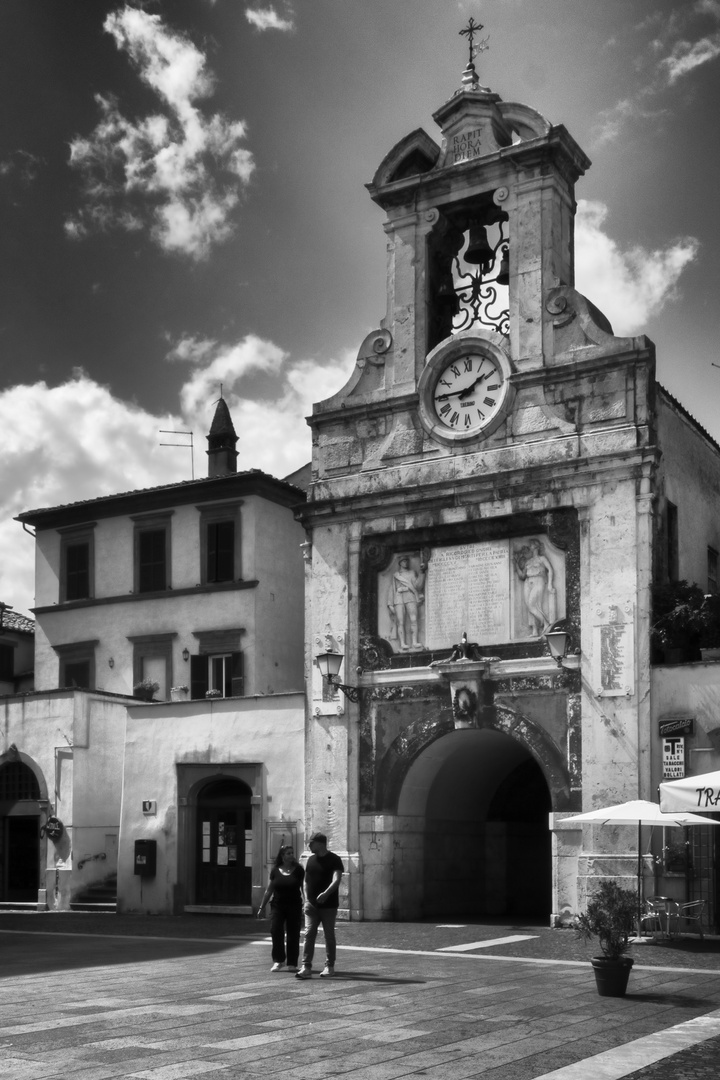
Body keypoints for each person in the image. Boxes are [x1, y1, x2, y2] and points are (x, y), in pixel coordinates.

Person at [295, 832, 344, 980]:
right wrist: (306, 898)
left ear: (321, 844)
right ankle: (306, 966)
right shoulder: (310, 860)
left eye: (311, 843)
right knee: (309, 933)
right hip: (311, 906)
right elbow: (305, 881)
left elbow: (337, 880)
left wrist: (326, 894)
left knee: (329, 935)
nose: (309, 845)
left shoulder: (335, 860)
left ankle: (329, 966)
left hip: (328, 906)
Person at [257, 843, 305, 973]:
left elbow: (303, 888)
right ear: (282, 856)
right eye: (288, 853)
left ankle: (292, 963)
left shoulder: (299, 870)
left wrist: (306, 903)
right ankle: (278, 961)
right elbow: (269, 890)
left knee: (293, 934)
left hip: (294, 905)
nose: (291, 855)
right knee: (276, 930)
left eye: (291, 853)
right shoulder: (276, 871)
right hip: (278, 905)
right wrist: (261, 907)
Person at [513, 538, 556, 637]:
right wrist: (516, 564)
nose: (530, 546)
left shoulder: (542, 559)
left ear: (536, 546)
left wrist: (549, 584)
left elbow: (550, 570)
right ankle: (535, 630)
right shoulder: (528, 561)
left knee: (532, 605)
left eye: (531, 545)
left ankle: (546, 623)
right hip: (528, 582)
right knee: (529, 606)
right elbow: (522, 576)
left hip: (539, 580)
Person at [387, 554, 426, 651]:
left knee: (414, 619)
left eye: (407, 561)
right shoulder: (396, 575)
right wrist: (390, 603)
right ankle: (403, 643)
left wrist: (422, 572)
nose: (406, 562)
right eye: (404, 561)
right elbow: (392, 589)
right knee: (400, 622)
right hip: (398, 598)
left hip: (410, 596)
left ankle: (414, 642)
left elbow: (418, 586)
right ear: (400, 563)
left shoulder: (412, 573)